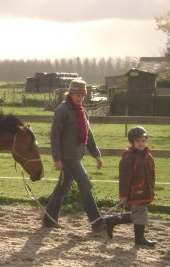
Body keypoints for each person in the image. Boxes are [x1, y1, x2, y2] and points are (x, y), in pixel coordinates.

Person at [42, 79, 105, 233]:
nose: (79, 98)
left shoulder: (82, 110)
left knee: (62, 188)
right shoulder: (62, 110)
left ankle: (49, 220)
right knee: (86, 185)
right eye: (77, 94)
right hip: (67, 157)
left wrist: (96, 154)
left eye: (82, 95)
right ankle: (97, 222)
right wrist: (57, 158)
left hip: (76, 156)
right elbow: (55, 136)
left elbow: (88, 134)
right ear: (70, 93)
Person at [105, 126, 157, 247]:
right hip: (135, 191)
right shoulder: (129, 157)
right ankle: (139, 239)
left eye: (143, 140)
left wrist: (151, 190)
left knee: (138, 214)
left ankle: (111, 221)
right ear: (132, 142)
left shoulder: (148, 156)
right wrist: (123, 194)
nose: (141, 143)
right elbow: (124, 178)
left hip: (145, 190)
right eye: (137, 141)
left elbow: (152, 175)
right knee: (141, 213)